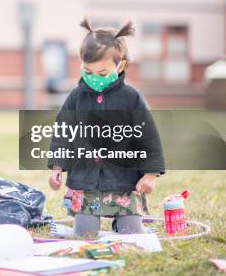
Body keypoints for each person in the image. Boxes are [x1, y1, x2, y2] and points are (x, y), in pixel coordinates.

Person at [47, 19, 165, 237]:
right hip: (87, 181)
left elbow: (148, 137)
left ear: (121, 65)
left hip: (125, 180)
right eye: (87, 71)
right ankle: (82, 224)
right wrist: (56, 166)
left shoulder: (132, 98)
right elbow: (63, 132)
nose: (94, 79)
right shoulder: (76, 97)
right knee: (85, 235)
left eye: (102, 73)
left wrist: (150, 173)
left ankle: (121, 223)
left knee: (131, 233)